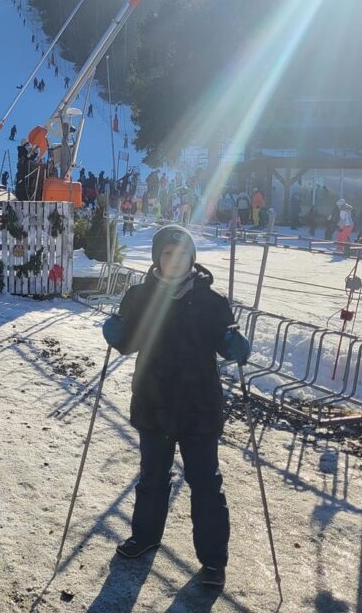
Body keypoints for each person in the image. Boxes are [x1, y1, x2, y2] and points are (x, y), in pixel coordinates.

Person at [102, 226, 250, 589]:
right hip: (154, 401)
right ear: (157, 258)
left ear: (192, 258)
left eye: (182, 254)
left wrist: (234, 343)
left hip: (199, 404)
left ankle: (213, 561)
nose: (174, 261)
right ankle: (146, 536)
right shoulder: (138, 296)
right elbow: (132, 341)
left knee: (205, 484)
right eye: (167, 254)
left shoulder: (211, 301)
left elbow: (224, 339)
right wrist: (118, 334)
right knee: (152, 477)